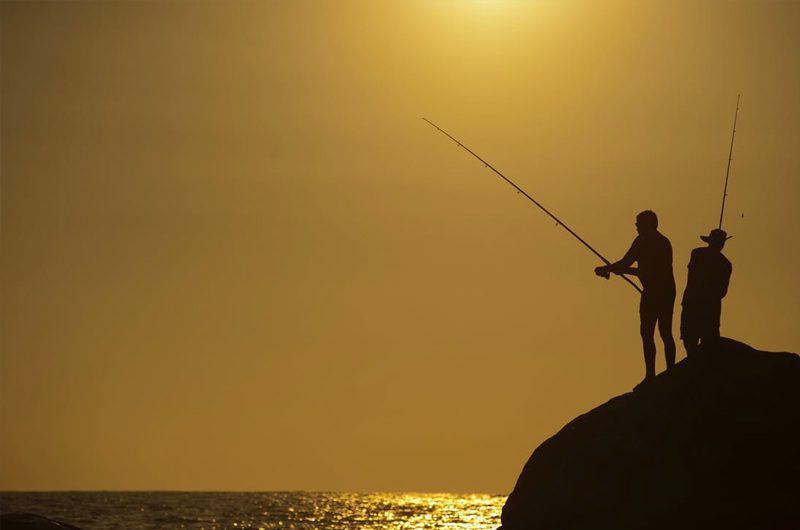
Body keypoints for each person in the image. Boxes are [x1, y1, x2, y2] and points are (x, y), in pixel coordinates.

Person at [594, 210, 676, 384]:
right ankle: (665, 372)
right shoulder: (662, 241)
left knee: (652, 332)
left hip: (657, 291)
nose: (636, 226)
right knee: (660, 332)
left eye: (638, 223)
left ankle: (655, 374)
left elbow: (633, 266)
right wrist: (615, 269)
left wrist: (609, 269)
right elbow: (631, 265)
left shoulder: (646, 241)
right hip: (663, 291)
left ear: (647, 224)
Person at [680, 228, 732, 356]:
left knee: (692, 340)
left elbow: (692, 277)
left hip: (695, 304)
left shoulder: (697, 254)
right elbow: (722, 292)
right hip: (708, 307)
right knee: (703, 341)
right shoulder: (725, 263)